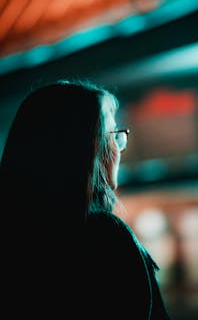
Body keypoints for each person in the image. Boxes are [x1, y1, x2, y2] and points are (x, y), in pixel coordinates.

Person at [0, 80, 171, 319]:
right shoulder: (105, 239)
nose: (119, 148)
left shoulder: (13, 242)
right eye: (114, 135)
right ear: (89, 149)